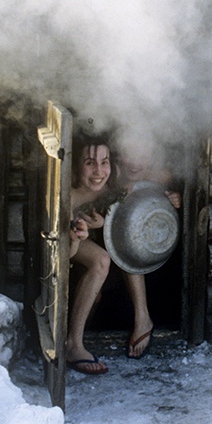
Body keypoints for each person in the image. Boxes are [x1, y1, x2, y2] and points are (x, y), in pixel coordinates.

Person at [113, 137, 182, 359]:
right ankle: (141, 318)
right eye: (129, 154)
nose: (134, 163)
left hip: (153, 246)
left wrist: (176, 200)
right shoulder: (110, 173)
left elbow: (178, 205)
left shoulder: (161, 176)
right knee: (127, 242)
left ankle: (145, 318)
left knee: (133, 243)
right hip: (109, 244)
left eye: (142, 156)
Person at [65, 135, 121, 375]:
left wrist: (103, 224)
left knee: (99, 298)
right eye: (90, 163)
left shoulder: (112, 185)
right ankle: (73, 345)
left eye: (104, 162)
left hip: (92, 245)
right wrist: (78, 237)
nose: (99, 170)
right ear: (77, 166)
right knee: (101, 261)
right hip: (70, 247)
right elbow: (63, 255)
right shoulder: (68, 196)